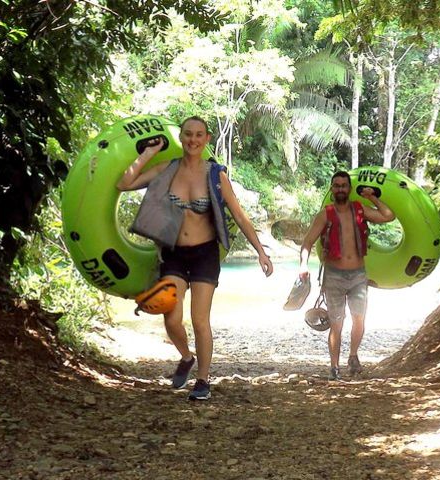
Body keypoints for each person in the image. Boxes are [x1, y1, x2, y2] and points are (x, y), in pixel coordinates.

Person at [116, 116, 273, 400]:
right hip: (174, 252)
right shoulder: (167, 169)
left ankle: (202, 380)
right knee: (172, 319)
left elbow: (239, 214)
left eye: (199, 135)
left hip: (204, 253)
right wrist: (148, 153)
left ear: (207, 139)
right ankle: (186, 357)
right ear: (181, 137)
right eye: (188, 134)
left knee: (200, 320)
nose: (193, 140)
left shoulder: (216, 175)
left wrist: (261, 251)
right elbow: (124, 183)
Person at [298, 171, 395, 380]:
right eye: (336, 185)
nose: (340, 189)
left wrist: (372, 197)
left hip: (358, 275)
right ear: (331, 189)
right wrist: (303, 265)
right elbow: (307, 242)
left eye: (344, 185)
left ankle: (353, 356)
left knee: (359, 319)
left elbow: (388, 215)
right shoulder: (325, 214)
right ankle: (334, 367)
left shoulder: (360, 210)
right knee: (337, 323)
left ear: (349, 189)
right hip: (334, 276)